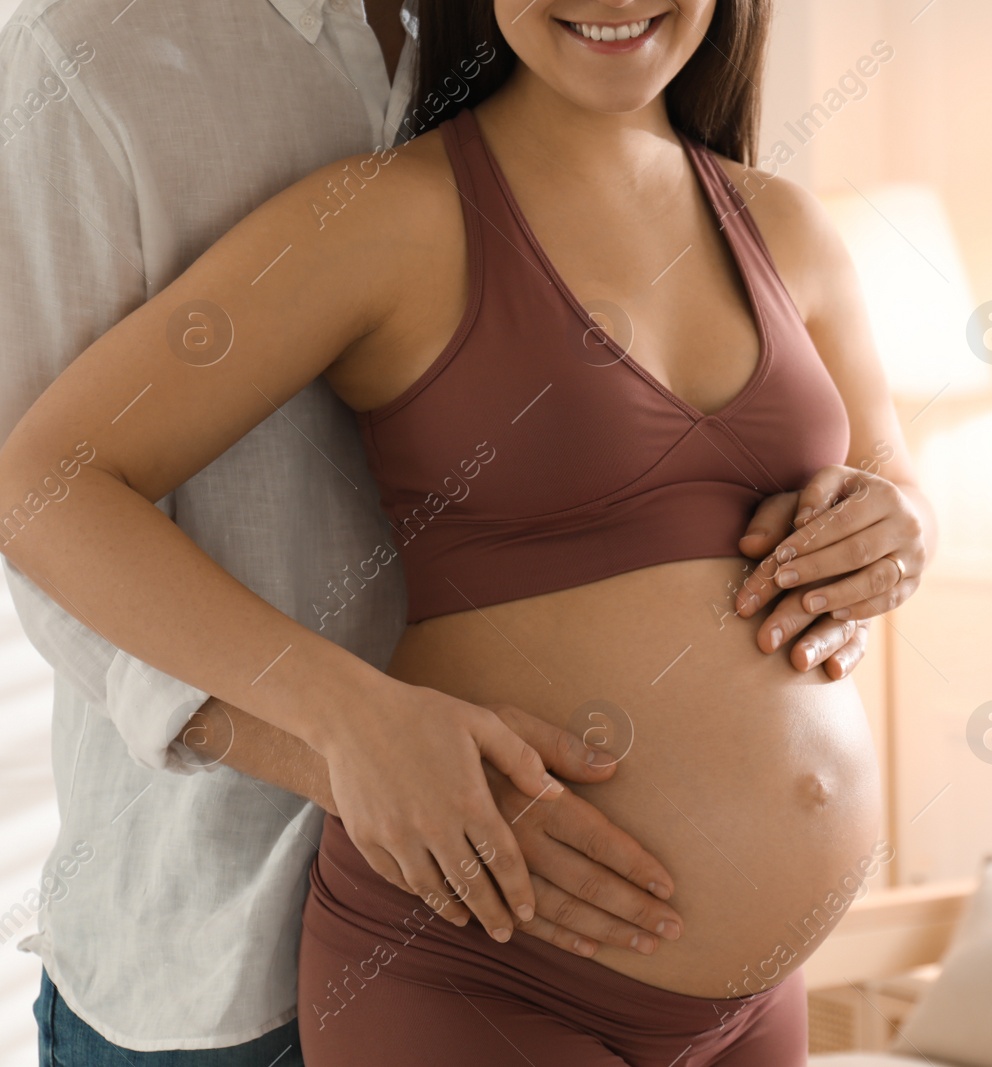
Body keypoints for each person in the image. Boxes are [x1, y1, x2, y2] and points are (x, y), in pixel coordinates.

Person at [0, 0, 876, 1062]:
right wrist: (348, 728)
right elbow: (42, 488)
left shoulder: (773, 217)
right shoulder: (126, 74)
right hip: (361, 949)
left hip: (747, 992)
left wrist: (894, 524)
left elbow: (872, 472)